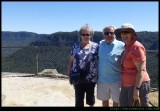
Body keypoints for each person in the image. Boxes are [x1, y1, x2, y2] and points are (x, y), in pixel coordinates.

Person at [115, 23, 150, 107]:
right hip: (126, 84)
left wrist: (136, 90)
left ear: (132, 34)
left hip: (137, 85)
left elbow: (141, 70)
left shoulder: (136, 47)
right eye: (122, 33)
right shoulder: (126, 46)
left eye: (126, 32)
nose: (124, 35)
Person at [68, 24, 98, 107]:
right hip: (77, 78)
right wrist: (69, 74)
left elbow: (101, 60)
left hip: (91, 78)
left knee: (91, 100)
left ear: (91, 35)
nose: (85, 36)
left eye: (87, 34)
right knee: (79, 101)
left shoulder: (95, 46)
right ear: (80, 35)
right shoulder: (75, 46)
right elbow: (71, 61)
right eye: (83, 34)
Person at [97, 25, 125, 107]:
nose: (109, 35)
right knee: (104, 101)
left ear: (115, 34)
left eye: (111, 33)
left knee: (116, 102)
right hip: (102, 80)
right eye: (106, 33)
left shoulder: (122, 45)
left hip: (116, 80)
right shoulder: (100, 43)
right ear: (103, 34)